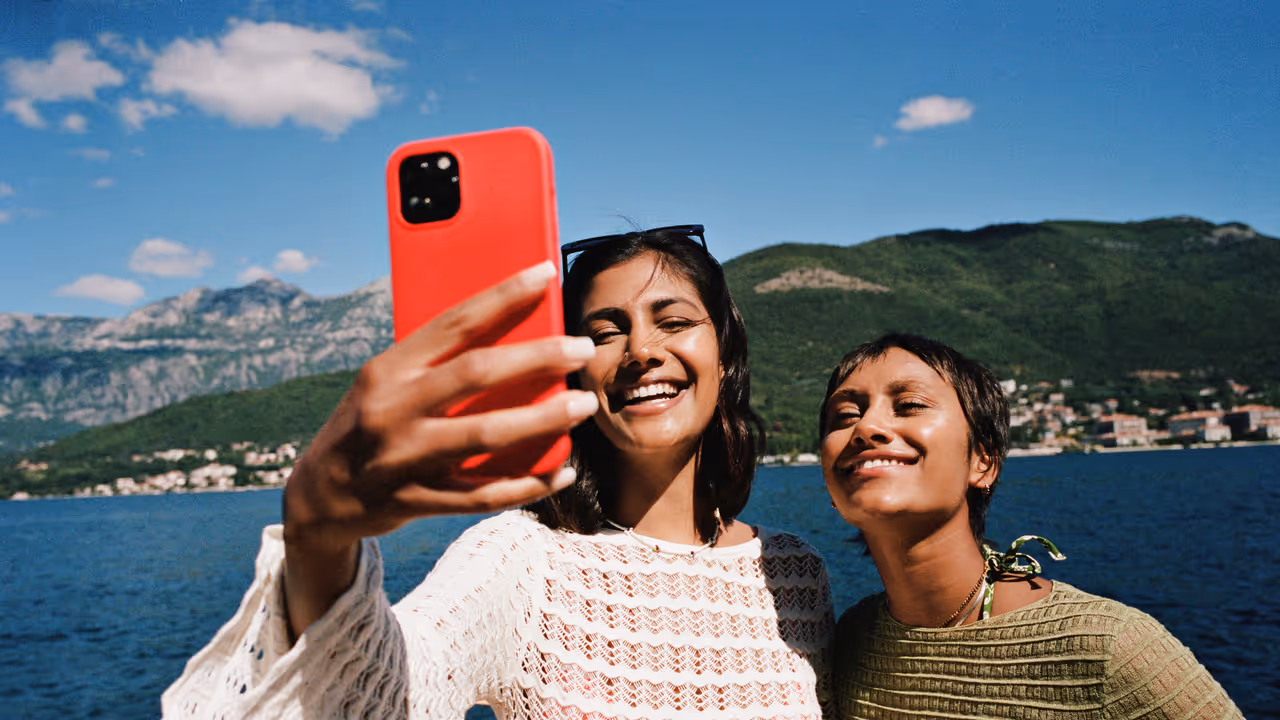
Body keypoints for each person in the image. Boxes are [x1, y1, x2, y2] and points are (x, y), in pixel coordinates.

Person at [163, 226, 834, 719]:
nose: (641, 351)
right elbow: (385, 693)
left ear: (725, 353)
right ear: (571, 371)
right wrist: (318, 535)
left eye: (674, 321)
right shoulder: (524, 558)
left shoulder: (795, 573)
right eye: (604, 333)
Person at [819, 333, 1242, 719]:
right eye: (845, 415)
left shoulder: (1109, 648)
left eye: (910, 405)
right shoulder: (850, 640)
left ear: (982, 462)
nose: (866, 427)